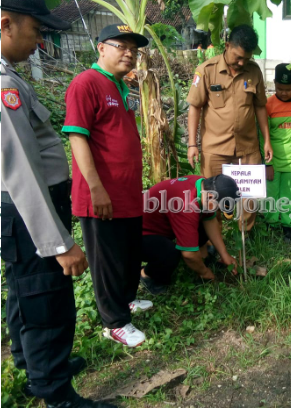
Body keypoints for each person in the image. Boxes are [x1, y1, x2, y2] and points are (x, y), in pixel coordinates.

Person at [1, 1, 115, 406]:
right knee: (45, 297)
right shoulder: (4, 87)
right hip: (30, 207)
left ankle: (34, 368)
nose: (40, 41)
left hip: (23, 208)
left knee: (24, 291)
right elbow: (21, 172)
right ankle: (56, 393)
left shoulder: (10, 76)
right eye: (36, 30)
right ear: (6, 24)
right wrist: (59, 243)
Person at [63, 24, 152, 348]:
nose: (129, 53)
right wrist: (97, 188)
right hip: (100, 194)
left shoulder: (120, 86)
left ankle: (126, 300)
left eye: (134, 48)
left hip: (126, 192)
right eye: (121, 46)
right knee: (108, 259)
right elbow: (77, 136)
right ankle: (114, 322)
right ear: (101, 47)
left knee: (128, 254)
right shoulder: (86, 83)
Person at [187, 24, 273, 232]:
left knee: (250, 196)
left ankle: (245, 236)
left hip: (248, 147)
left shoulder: (253, 71)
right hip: (215, 149)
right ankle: (215, 240)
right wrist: (192, 144)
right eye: (238, 57)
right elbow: (194, 108)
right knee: (212, 195)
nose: (242, 62)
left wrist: (267, 140)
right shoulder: (206, 70)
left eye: (247, 58)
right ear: (227, 46)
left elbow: (260, 107)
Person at [141, 175, 240, 294]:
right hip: (138, 235)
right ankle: (146, 275)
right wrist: (204, 272)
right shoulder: (186, 205)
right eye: (218, 207)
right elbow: (188, 254)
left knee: (203, 221)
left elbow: (210, 221)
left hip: (165, 225)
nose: (217, 211)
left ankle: (203, 257)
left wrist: (224, 254)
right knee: (170, 253)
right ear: (210, 197)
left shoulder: (204, 186)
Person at [261, 63, 291, 242]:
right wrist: (267, 164)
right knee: (271, 195)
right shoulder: (267, 104)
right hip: (273, 160)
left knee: (290, 195)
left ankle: (288, 226)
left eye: (288, 89)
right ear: (273, 83)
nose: (283, 93)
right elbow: (262, 136)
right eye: (279, 88)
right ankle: (271, 225)